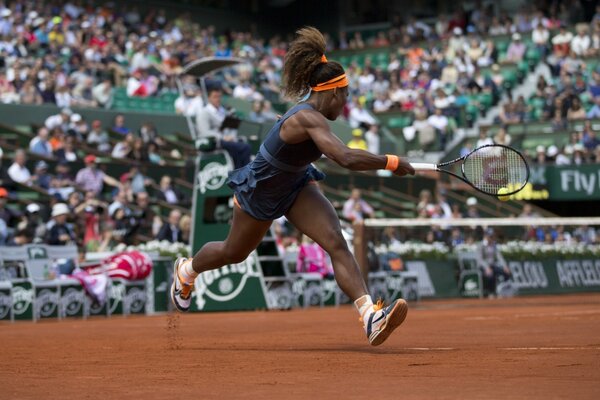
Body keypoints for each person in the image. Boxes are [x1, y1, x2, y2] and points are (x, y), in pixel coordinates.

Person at [170, 27, 415, 346]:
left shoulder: (308, 116)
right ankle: (187, 270)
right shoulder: (308, 117)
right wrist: (392, 162)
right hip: (260, 189)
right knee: (235, 252)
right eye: (345, 96)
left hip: (296, 185)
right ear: (333, 93)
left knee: (336, 241)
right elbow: (344, 157)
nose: (345, 104)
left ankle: (369, 316)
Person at [195, 87, 252, 169]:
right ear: (209, 98)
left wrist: (231, 136)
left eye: (219, 96)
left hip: (226, 140)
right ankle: (242, 174)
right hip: (213, 142)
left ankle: (241, 173)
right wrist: (223, 137)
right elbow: (204, 132)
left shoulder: (223, 111)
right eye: (215, 97)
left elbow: (229, 128)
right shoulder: (204, 113)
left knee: (243, 144)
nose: (218, 99)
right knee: (245, 147)